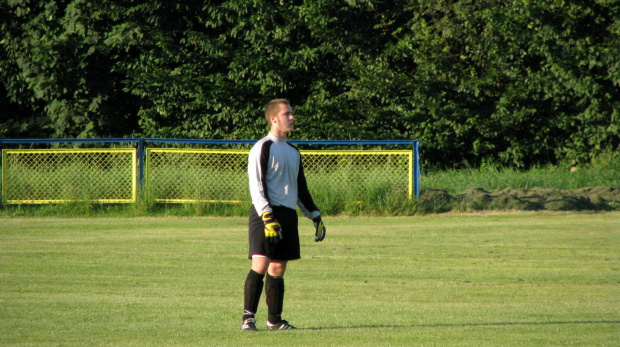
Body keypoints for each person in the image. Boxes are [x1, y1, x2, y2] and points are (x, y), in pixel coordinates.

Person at [241, 99, 326, 331]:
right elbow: (256, 185)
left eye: (292, 113)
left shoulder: (293, 152)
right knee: (261, 263)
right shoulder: (263, 147)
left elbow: (300, 188)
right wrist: (267, 216)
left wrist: (315, 215)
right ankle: (248, 318)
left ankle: (274, 320)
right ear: (273, 118)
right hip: (265, 213)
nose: (292, 117)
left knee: (278, 269)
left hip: (288, 214)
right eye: (287, 114)